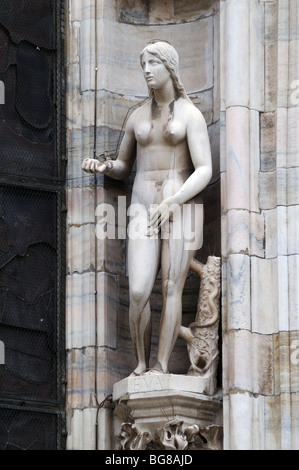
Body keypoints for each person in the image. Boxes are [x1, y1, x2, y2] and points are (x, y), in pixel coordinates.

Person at [82, 40, 212, 376]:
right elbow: (125, 165)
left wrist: (174, 200)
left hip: (180, 207)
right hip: (141, 207)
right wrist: (107, 168)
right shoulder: (137, 115)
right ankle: (140, 362)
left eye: (153, 64)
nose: (147, 71)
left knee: (171, 286)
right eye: (144, 65)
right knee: (138, 289)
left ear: (169, 67)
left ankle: (161, 365)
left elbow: (205, 169)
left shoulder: (190, 115)